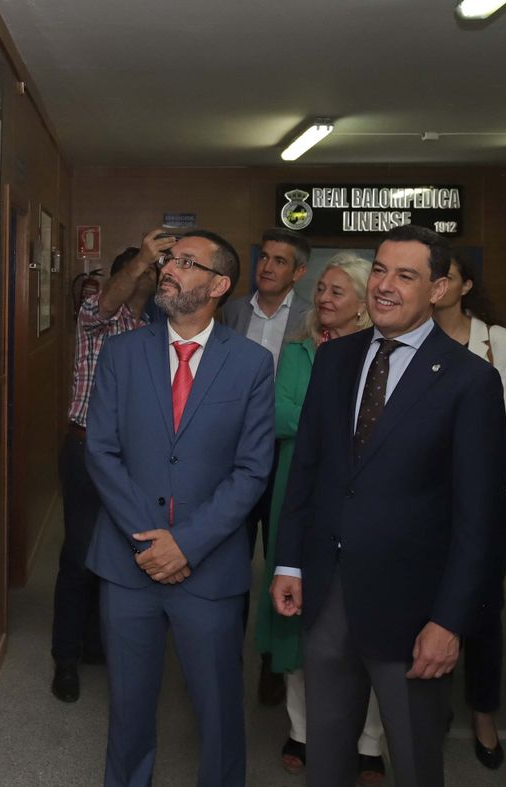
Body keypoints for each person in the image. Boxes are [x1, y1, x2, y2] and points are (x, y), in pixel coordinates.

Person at [270, 225, 506, 787]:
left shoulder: (470, 380)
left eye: (406, 275)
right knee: (325, 750)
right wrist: (288, 561)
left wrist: (449, 620)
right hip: (327, 592)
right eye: (379, 270)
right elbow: (307, 471)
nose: (385, 285)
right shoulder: (335, 359)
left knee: (414, 754)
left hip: (413, 610)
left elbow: (480, 519)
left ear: (440, 289)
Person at [86, 230, 273, 787]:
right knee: (129, 708)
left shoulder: (252, 364)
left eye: (187, 263)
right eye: (170, 259)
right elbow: (101, 450)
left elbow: (252, 470)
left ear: (218, 285)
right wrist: (151, 540)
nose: (169, 268)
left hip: (208, 568)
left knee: (218, 710)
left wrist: (186, 543)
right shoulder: (121, 353)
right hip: (128, 564)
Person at [255, 252, 388, 779]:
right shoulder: (298, 350)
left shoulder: (380, 356)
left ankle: (370, 741)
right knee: (299, 616)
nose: (325, 299)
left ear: (362, 303)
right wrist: (334, 418)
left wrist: (320, 417)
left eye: (337, 291)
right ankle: (301, 730)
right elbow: (279, 414)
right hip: (300, 491)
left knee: (370, 621)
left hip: (367, 503)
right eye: (322, 290)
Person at [50, 232, 167, 703]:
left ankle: (98, 644)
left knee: (121, 554)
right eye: (151, 270)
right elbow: (109, 298)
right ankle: (65, 658)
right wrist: (142, 258)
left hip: (133, 461)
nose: (158, 277)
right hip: (85, 453)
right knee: (79, 557)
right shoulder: (97, 317)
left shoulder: (155, 332)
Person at [430, 248, 506, 770]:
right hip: (423, 500)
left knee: (484, 612)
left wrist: (482, 486)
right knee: (426, 606)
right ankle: (432, 704)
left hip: (487, 499)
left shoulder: (500, 341)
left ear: (465, 286)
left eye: (448, 278)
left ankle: (483, 712)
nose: (439, 286)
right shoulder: (411, 337)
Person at [217, 226, 312, 705]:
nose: (268, 268)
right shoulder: (232, 311)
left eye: (280, 261)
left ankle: (274, 661)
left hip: (284, 456)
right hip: (233, 454)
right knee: (230, 554)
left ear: (299, 272)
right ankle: (225, 653)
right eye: (265, 258)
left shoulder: (312, 319)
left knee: (281, 558)